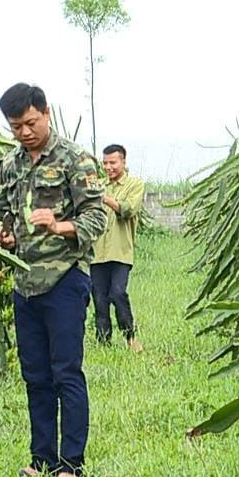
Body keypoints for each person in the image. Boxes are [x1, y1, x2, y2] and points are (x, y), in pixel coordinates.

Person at [0, 83, 107, 477]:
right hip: (25, 283)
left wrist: (59, 225)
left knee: (66, 373)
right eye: (15, 126)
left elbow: (96, 216)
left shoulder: (76, 159)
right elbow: (0, 211)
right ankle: (41, 459)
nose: (23, 132)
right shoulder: (9, 165)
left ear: (46, 113)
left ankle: (72, 466)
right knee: (35, 375)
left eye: (30, 123)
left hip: (65, 279)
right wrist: (0, 235)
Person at [91, 144, 146, 350]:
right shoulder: (98, 185)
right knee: (99, 299)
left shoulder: (135, 185)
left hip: (121, 252)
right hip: (97, 253)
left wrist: (103, 198)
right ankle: (103, 342)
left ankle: (130, 337)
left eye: (112, 162)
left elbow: (128, 209)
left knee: (117, 293)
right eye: (104, 163)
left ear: (123, 162)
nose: (108, 167)